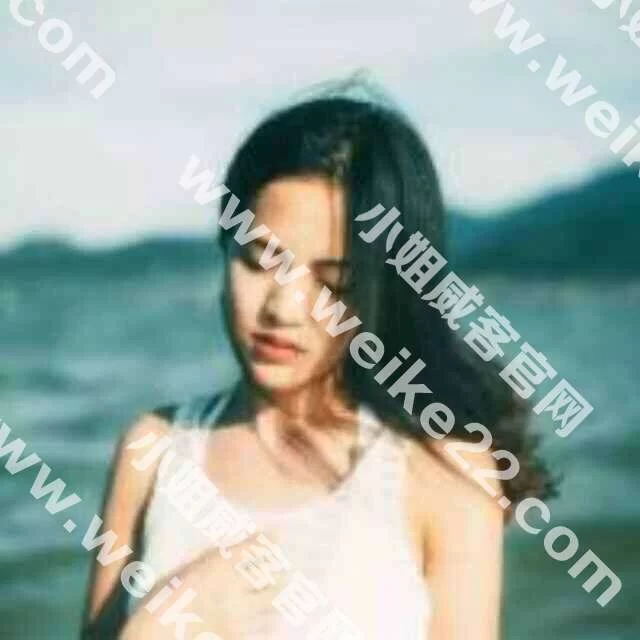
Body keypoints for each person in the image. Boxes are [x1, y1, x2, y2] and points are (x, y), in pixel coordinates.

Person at [80, 90, 554, 639]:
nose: (282, 309)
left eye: (334, 284)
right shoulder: (154, 451)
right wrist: (170, 619)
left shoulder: (448, 473)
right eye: (258, 261)